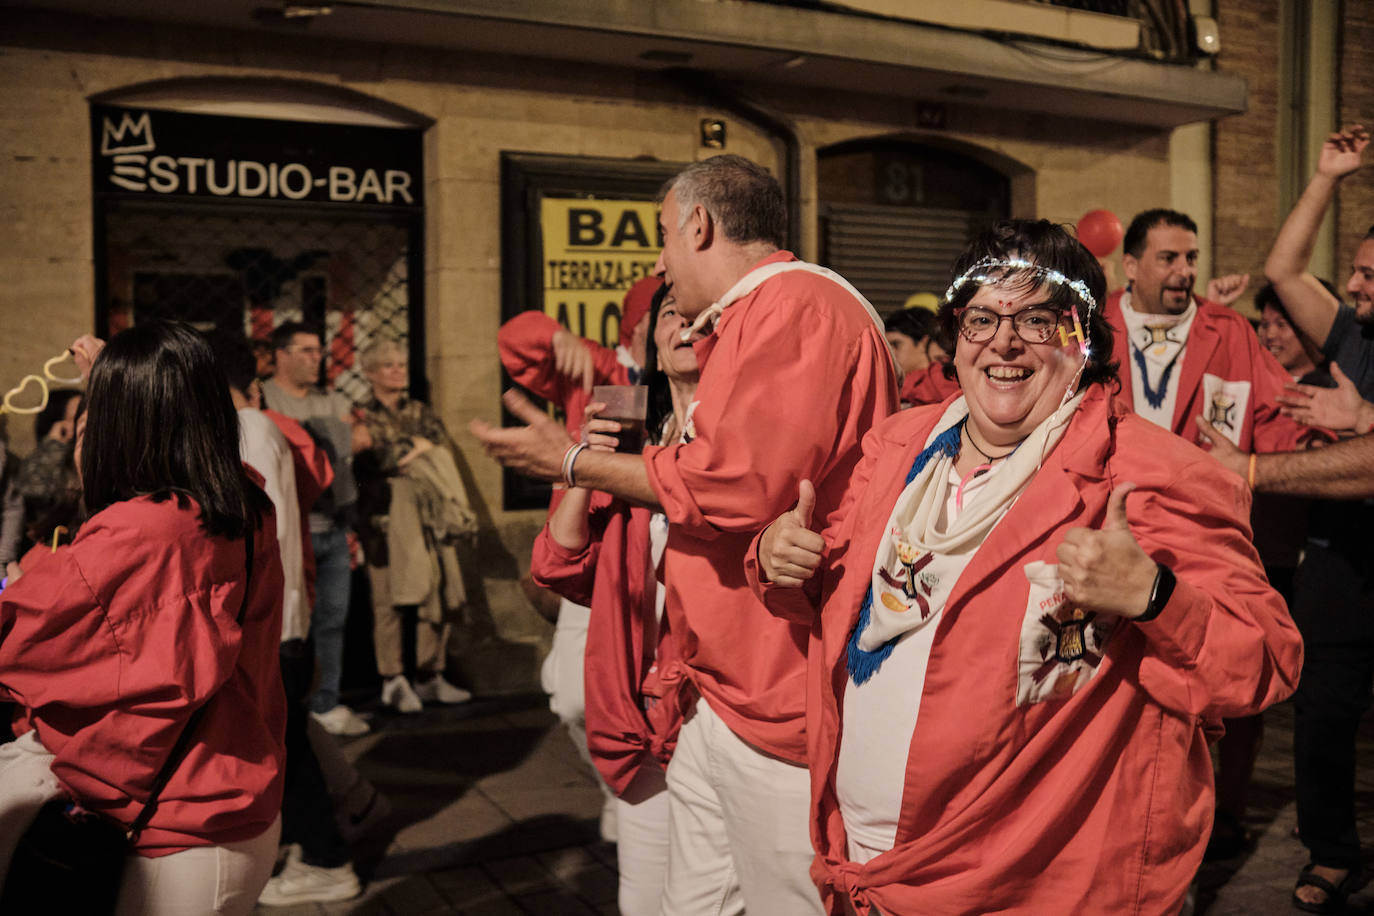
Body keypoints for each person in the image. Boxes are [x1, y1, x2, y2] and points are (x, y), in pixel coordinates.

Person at [751, 219, 1301, 915]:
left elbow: (1266, 660)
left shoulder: (1153, 474)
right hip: (863, 864)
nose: (1003, 342)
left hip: (1031, 887)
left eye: (1037, 320)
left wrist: (1154, 596)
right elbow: (836, 598)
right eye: (981, 318)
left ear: (1083, 339)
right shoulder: (897, 446)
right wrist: (776, 558)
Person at [473, 153, 898, 915]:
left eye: (664, 237)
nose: (661, 264)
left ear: (699, 224)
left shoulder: (792, 304)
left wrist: (574, 462)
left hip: (776, 693)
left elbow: (737, 484)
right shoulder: (753, 316)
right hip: (719, 691)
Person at [0, 322, 287, 914]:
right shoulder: (243, 502)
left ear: (120, 423)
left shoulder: (141, 531)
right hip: (231, 801)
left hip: (175, 826)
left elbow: (21, 637)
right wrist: (128, 382)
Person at [530, 286, 700, 915]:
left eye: (701, 315)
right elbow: (560, 562)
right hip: (637, 712)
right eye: (670, 314)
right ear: (649, 337)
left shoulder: (742, 437)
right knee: (643, 898)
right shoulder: (631, 424)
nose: (685, 326)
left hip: (710, 707)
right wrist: (585, 461)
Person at [1251, 122, 1374, 912]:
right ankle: (1332, 852)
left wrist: (1363, 420)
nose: (1354, 286)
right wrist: (1328, 178)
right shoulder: (1352, 333)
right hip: (1342, 548)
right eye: (1355, 271)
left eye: (1367, 275)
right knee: (1323, 708)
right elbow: (1284, 270)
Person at [498, 277, 657, 840]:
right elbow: (515, 341)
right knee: (571, 697)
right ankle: (619, 786)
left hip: (658, 553)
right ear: (634, 324)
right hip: (591, 556)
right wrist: (554, 334)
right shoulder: (599, 366)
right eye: (658, 313)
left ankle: (647, 801)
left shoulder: (687, 372)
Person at [207, 331, 363, 906]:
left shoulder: (247, 431)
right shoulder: (257, 428)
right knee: (290, 738)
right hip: (279, 616)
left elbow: (247, 532)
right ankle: (349, 812)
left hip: (269, 622)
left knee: (283, 750)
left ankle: (327, 859)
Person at [1107, 208, 1312, 452]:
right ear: (1131, 267)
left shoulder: (1230, 330)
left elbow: (1281, 415)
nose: (1185, 271)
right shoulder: (1097, 326)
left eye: (1191, 258)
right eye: (1168, 259)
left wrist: (1312, 442)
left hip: (1203, 475)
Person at [354, 338, 474, 713]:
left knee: (434, 592)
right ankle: (392, 678)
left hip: (425, 517)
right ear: (370, 373)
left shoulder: (420, 410)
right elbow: (376, 458)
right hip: (382, 518)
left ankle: (429, 674)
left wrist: (413, 451)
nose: (398, 371)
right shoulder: (360, 415)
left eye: (401, 364)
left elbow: (440, 449)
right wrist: (417, 448)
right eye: (388, 365)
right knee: (387, 600)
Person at [262, 321, 368, 737]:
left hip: (334, 528)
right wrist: (331, 434)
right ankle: (288, 707)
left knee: (332, 621)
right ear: (281, 354)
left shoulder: (332, 398)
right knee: (288, 623)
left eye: (318, 351)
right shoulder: (265, 397)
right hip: (293, 530)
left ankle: (326, 701)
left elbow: (355, 443)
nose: (316, 359)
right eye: (306, 350)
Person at [14, 389, 82, 552]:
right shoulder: (48, 459)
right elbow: (32, 493)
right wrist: (54, 445)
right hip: (48, 551)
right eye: (77, 417)